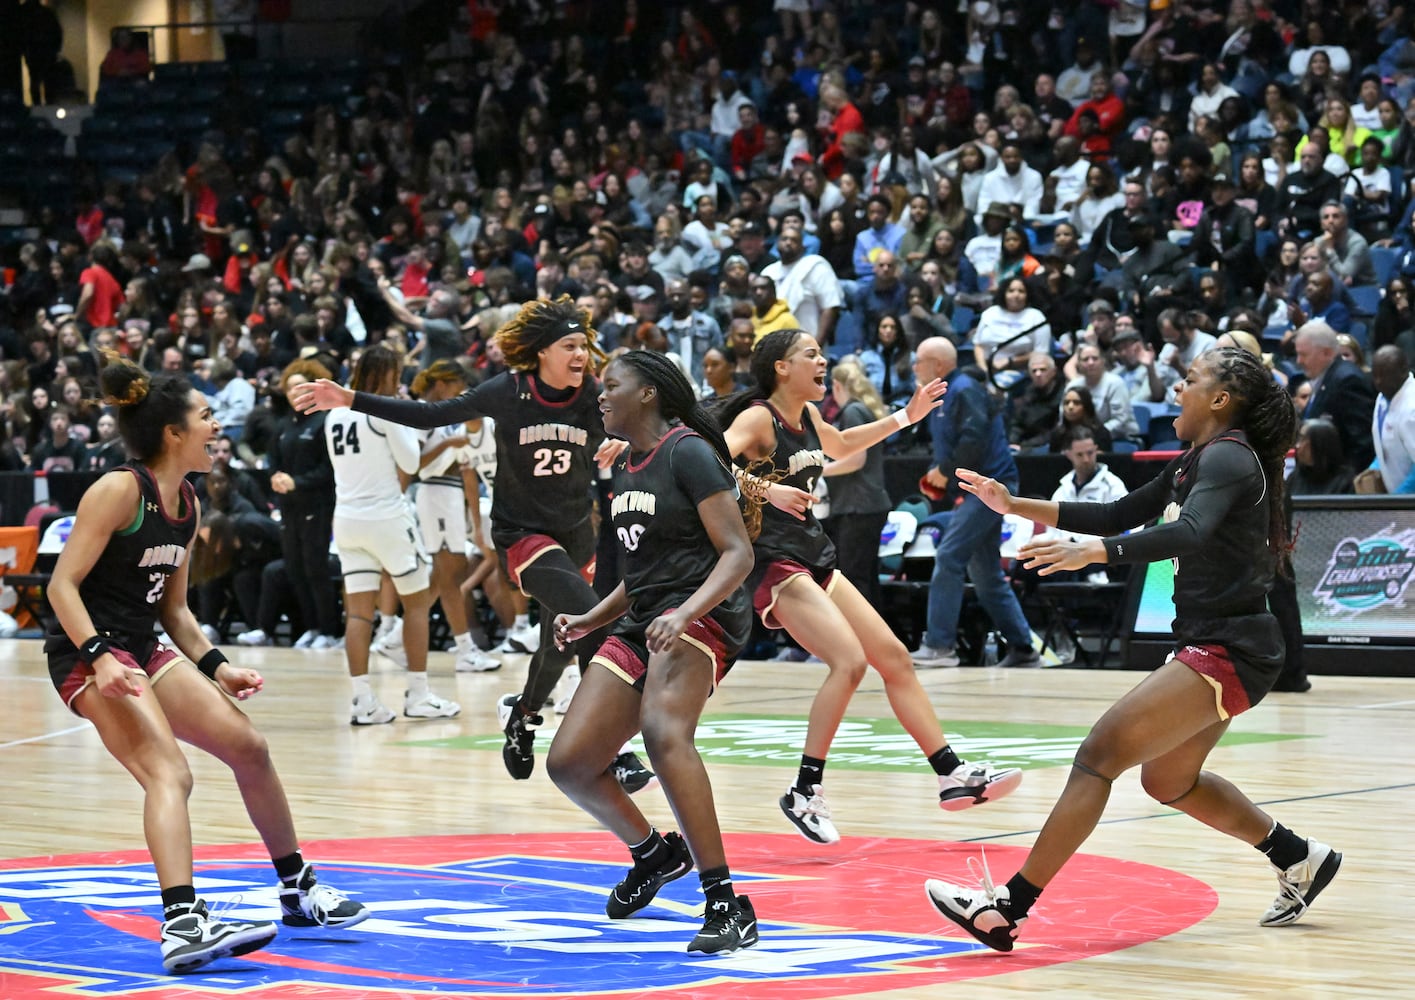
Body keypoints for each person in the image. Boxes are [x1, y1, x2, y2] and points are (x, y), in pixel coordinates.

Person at [924, 346, 1340, 954]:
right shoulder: (1203, 457)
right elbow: (1117, 512)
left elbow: (1190, 531)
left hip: (1229, 646)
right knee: (1169, 782)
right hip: (1229, 644)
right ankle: (1299, 858)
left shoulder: (1227, 456)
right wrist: (1015, 505)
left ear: (1220, 400)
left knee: (1098, 756)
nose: (1178, 389)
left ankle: (1005, 909)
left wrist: (1096, 554)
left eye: (1191, 380)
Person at [45, 355, 368, 975]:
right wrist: (97, 659)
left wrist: (217, 667)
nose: (216, 426)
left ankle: (298, 889)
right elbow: (61, 587)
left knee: (249, 746)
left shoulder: (187, 501)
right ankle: (182, 924)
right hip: (89, 651)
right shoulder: (119, 489)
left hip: (141, 644)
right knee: (170, 773)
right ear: (172, 433)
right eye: (206, 416)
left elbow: (175, 609)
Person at [290, 296, 653, 790]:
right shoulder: (508, 391)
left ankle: (521, 717)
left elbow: (633, 433)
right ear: (542, 352)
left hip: (576, 535)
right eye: (568, 346)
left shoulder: (591, 394)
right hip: (523, 535)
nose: (580, 355)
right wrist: (351, 398)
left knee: (558, 643)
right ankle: (618, 747)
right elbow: (431, 415)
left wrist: (625, 441)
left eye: (582, 345)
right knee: (592, 619)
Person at [718, 329, 1022, 842]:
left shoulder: (810, 416)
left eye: (821, 351)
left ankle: (950, 775)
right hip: (771, 562)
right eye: (810, 354)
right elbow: (709, 463)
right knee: (849, 662)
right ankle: (804, 790)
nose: (822, 359)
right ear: (780, 368)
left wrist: (908, 416)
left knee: (895, 658)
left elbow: (841, 445)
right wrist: (765, 489)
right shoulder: (757, 418)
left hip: (813, 555)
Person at [547, 350, 759, 955]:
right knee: (570, 762)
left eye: (611, 386)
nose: (601, 396)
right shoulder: (627, 467)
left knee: (664, 734)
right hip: (648, 616)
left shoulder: (688, 451)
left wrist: (685, 612)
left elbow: (737, 553)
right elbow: (640, 576)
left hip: (705, 612)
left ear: (648, 393)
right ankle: (655, 854)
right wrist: (591, 617)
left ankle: (726, 902)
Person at [324, 345, 462, 724]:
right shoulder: (384, 412)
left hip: (347, 521)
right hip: (387, 518)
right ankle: (418, 695)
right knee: (416, 604)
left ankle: (363, 701)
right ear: (387, 375)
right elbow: (411, 462)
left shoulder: (333, 415)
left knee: (358, 615)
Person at [910, 337, 1043, 670]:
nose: (914, 367)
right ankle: (1023, 650)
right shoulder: (943, 393)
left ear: (938, 365)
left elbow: (974, 436)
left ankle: (940, 646)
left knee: (949, 555)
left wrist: (944, 470)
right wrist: (940, 470)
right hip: (976, 487)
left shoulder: (964, 388)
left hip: (990, 487)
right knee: (985, 574)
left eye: (919, 361)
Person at [409, 360, 502, 673]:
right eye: (457, 388)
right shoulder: (424, 413)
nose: (461, 395)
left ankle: (398, 636)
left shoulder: (446, 415)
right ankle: (463, 648)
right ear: (442, 383)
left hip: (448, 494)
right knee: (452, 572)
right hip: (434, 491)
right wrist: (450, 443)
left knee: (447, 574)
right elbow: (415, 465)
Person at [266, 359, 341, 649]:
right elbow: (272, 460)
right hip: (289, 506)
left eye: (299, 387)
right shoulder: (284, 424)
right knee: (295, 568)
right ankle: (311, 627)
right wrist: (275, 477)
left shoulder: (325, 420)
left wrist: (299, 482)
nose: (293, 392)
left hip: (318, 505)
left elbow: (329, 468)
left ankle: (330, 631)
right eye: (289, 388)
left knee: (316, 568)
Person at [821, 360, 893, 607]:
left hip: (857, 507)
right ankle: (878, 640)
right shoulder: (865, 410)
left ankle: (861, 641)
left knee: (853, 580)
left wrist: (821, 470)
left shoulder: (852, 412)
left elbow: (855, 459)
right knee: (868, 577)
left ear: (837, 386)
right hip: (868, 506)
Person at [1293, 320, 1376, 469]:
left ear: (1327, 353)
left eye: (1303, 354)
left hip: (1336, 484)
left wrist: (1345, 486)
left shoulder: (1348, 380)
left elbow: (1362, 443)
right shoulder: (1324, 377)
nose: (1299, 361)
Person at [1370, 345, 1415, 493]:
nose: (1378, 381)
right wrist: (1375, 468)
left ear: (1403, 371)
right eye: (1375, 374)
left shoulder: (1412, 408)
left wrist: (1397, 500)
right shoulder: (1383, 396)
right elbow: (1387, 444)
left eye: (1384, 375)